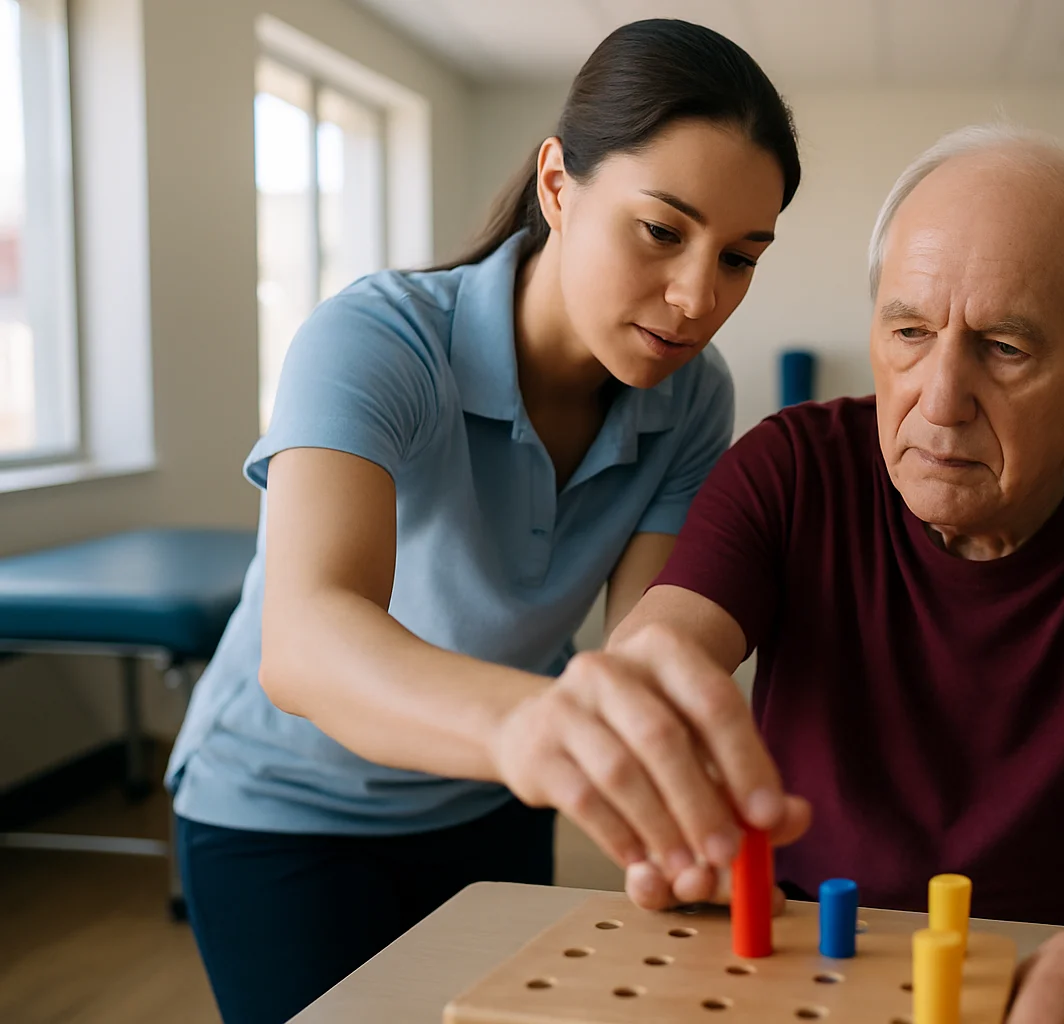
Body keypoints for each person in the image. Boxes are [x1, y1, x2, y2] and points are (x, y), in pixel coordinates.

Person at [585, 125, 1064, 1024]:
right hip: (812, 969)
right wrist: (650, 739)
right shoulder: (790, 469)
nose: (940, 400)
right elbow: (657, 655)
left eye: (1004, 347)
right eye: (910, 332)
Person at [165, 20, 801, 1024]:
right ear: (558, 185)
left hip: (487, 802)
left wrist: (683, 790)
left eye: (738, 257)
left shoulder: (693, 396)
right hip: (283, 812)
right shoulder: (376, 339)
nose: (696, 298)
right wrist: (533, 723)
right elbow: (305, 638)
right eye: (661, 231)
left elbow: (650, 645)